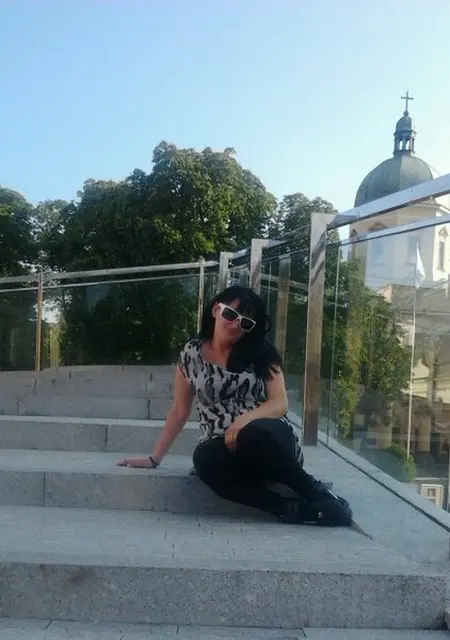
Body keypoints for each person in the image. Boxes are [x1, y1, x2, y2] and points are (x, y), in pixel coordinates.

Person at [117, 285, 352, 527]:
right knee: (205, 459)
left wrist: (243, 422)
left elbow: (279, 403)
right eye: (230, 314)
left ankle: (314, 491)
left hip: (268, 439)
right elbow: (179, 410)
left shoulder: (261, 352)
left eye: (245, 323)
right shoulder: (191, 354)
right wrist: (154, 458)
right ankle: (292, 510)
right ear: (216, 310)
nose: (235, 325)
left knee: (252, 436)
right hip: (223, 444)